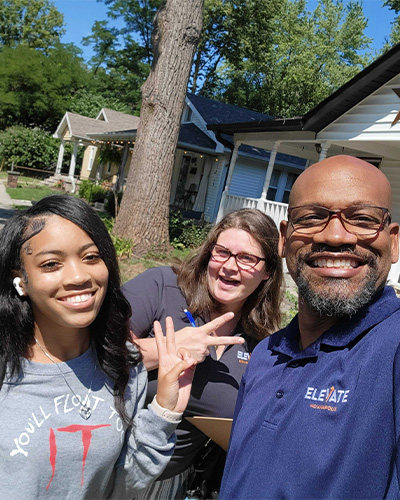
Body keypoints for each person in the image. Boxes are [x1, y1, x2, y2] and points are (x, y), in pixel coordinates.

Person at [220, 155, 400, 499]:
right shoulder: (264, 355)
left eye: (362, 219)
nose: (334, 236)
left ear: (392, 241)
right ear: (284, 238)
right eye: (313, 217)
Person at [0, 194, 197, 500]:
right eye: (51, 264)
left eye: (91, 257)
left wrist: (163, 412)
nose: (80, 276)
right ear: (21, 281)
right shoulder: (6, 368)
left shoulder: (124, 366)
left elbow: (120, 488)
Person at [122, 208, 283, 499]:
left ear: (268, 271)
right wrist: (169, 347)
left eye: (247, 258)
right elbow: (91, 352)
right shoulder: (162, 287)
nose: (230, 267)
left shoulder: (261, 343)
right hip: (110, 471)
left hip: (171, 485)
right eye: (222, 252)